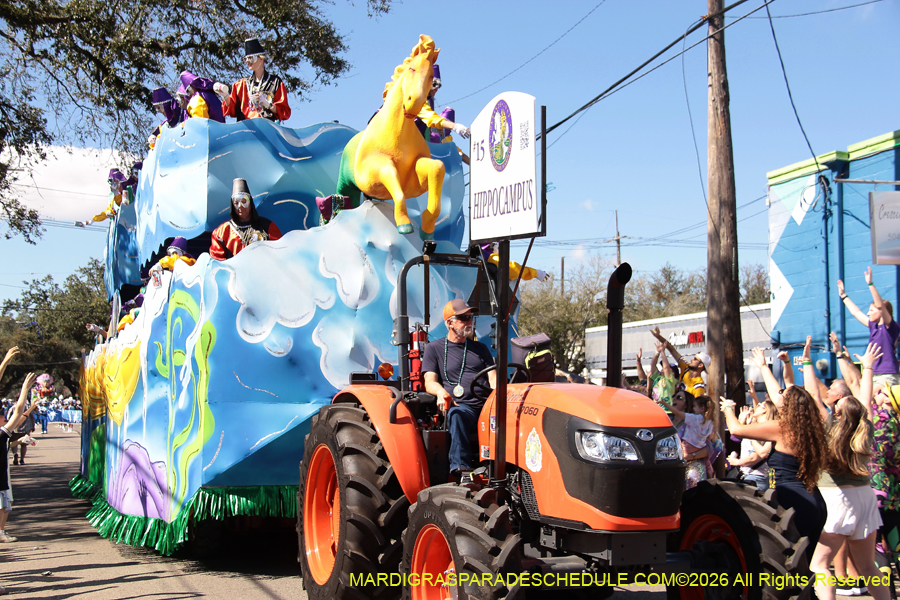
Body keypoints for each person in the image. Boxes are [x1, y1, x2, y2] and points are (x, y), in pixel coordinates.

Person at [802, 342, 891, 600]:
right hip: (865, 498)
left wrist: (807, 363)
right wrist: (869, 366)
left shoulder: (831, 428)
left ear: (837, 411)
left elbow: (813, 395)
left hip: (837, 499)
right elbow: (865, 398)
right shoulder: (865, 429)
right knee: (867, 567)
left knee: (819, 565)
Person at [720, 372, 828, 558]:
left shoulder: (782, 428)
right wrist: (763, 366)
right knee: (808, 569)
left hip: (793, 502)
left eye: (782, 394)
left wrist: (728, 409)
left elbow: (737, 429)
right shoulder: (812, 430)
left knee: (788, 569)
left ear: (787, 405)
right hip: (815, 500)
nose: (779, 396)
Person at [421, 299, 496, 476]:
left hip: (487, 406)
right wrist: (440, 392)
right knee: (456, 414)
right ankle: (461, 469)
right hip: (463, 407)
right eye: (463, 318)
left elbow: (493, 379)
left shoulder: (481, 348)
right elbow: (429, 381)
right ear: (449, 323)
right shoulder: (434, 349)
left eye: (471, 317)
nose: (469, 321)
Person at [839, 266, 900, 387]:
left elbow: (880, 306)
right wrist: (843, 296)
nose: (868, 313)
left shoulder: (890, 327)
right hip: (873, 373)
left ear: (881, 312)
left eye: (871, 310)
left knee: (866, 399)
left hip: (886, 375)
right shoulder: (874, 327)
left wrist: (870, 284)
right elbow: (856, 312)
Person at [1, 372, 38, 543]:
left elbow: (19, 416)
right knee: (4, 506)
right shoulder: (2, 434)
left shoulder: (3, 436)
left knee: (6, 506)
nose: (3, 418)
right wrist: (24, 388)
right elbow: (18, 413)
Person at [218, 38, 291, 122]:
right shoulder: (240, 85)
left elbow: (284, 112)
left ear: (261, 58)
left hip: (267, 129)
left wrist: (268, 105)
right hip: (246, 131)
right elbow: (232, 111)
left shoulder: (275, 83)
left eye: (251, 58)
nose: (248, 61)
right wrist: (225, 96)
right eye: (246, 59)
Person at [209, 179, 282, 260]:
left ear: (250, 202)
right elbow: (216, 262)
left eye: (244, 201)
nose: (240, 206)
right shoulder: (221, 232)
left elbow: (280, 253)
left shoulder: (267, 227)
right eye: (236, 203)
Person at [659, 393, 716, 489]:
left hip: (691, 467)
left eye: (679, 397)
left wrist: (689, 456)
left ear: (686, 404)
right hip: (672, 468)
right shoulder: (667, 421)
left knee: (691, 497)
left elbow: (708, 448)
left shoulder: (693, 422)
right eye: (674, 396)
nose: (675, 399)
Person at [650, 327, 709, 397]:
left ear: (700, 365)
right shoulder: (686, 368)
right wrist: (658, 336)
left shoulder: (699, 386)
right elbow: (672, 349)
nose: (692, 359)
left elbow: (696, 404)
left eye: (695, 359)